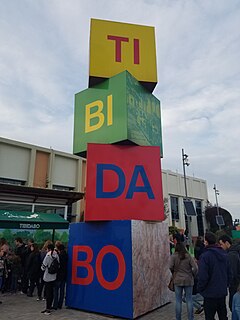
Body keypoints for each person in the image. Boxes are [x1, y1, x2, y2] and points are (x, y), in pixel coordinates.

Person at [198, 232, 232, 320]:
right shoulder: (225, 255)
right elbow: (229, 273)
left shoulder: (205, 256)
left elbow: (203, 276)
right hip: (221, 292)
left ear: (206, 242)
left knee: (209, 317)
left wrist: (201, 288)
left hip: (209, 293)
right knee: (223, 316)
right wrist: (225, 285)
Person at [169, 242, 198, 320]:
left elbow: (170, 266)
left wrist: (174, 272)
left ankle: (178, 318)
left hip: (177, 280)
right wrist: (193, 274)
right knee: (189, 299)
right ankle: (190, 318)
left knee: (178, 301)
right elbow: (195, 268)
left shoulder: (173, 256)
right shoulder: (188, 256)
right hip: (188, 279)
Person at [218, 235, 240, 311]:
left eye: (221, 244)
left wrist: (228, 283)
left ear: (227, 243)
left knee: (233, 306)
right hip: (235, 285)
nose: (221, 247)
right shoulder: (234, 252)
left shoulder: (231, 254)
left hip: (235, 285)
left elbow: (233, 272)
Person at [41, 243, 59, 315]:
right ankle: (50, 306)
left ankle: (47, 309)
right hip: (54, 276)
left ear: (48, 249)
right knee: (51, 293)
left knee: (48, 293)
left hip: (47, 276)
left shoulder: (48, 255)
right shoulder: (56, 254)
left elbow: (43, 267)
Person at [53, 243, 68, 310]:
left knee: (56, 291)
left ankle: (55, 305)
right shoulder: (66, 255)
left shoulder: (58, 256)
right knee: (62, 291)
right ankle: (60, 305)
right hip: (64, 275)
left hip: (58, 275)